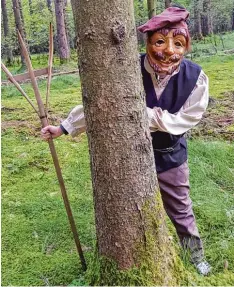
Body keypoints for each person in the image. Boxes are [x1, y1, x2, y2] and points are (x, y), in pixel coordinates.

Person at [41, 7, 211, 275]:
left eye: (178, 44)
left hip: (170, 155)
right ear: (148, 42)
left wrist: (146, 116)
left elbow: (187, 118)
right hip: (128, 155)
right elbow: (100, 102)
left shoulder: (195, 78)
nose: (169, 51)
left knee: (181, 208)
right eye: (160, 42)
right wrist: (63, 127)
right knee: (128, 213)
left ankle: (196, 255)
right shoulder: (126, 68)